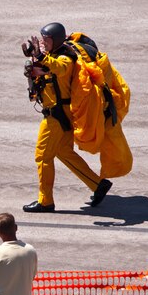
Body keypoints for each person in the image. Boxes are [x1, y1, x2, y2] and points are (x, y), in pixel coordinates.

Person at [22, 22, 121, 213]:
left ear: (56, 40)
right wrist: (33, 63)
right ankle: (98, 185)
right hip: (58, 112)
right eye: (42, 39)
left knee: (42, 156)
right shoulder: (51, 56)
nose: (43, 42)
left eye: (46, 39)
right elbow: (44, 75)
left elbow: (59, 68)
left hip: (57, 115)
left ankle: (46, 201)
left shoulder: (66, 57)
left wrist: (40, 56)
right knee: (62, 151)